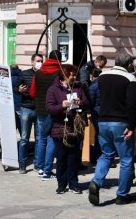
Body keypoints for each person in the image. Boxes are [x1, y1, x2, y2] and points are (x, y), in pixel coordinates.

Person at [88, 53, 136, 206]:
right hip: (121, 122)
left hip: (103, 120)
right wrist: (132, 126)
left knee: (106, 154)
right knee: (126, 159)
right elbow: (132, 105)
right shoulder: (130, 78)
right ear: (129, 64)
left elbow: (94, 94)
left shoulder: (102, 76)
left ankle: (96, 182)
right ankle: (122, 195)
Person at [46, 64, 89, 194]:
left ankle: (73, 183)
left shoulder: (78, 88)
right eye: (71, 75)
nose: (74, 77)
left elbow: (88, 103)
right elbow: (50, 108)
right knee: (61, 157)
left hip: (75, 127)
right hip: (60, 127)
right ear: (64, 75)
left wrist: (80, 103)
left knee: (73, 157)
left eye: (75, 74)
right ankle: (61, 184)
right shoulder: (53, 89)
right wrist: (62, 105)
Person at [29, 50, 62, 179]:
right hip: (54, 110)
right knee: (52, 140)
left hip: (41, 109)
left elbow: (32, 93)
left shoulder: (38, 73)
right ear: (59, 59)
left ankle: (40, 166)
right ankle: (48, 169)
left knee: (41, 138)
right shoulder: (59, 72)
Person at [17, 54, 46, 175]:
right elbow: (15, 88)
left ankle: (37, 164)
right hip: (26, 108)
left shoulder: (44, 74)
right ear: (32, 62)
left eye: (41, 61)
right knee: (24, 138)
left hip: (39, 109)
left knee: (39, 138)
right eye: (37, 61)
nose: (40, 63)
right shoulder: (24, 74)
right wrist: (19, 90)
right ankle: (22, 164)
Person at [88, 67, 102, 165]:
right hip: (104, 112)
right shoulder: (105, 84)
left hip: (96, 112)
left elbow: (91, 101)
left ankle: (95, 157)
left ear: (92, 76)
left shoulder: (93, 86)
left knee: (98, 136)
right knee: (101, 136)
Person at [11, 64, 22, 136]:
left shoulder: (7, 78)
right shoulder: (22, 77)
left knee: (12, 124)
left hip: (11, 103)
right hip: (20, 103)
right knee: (21, 124)